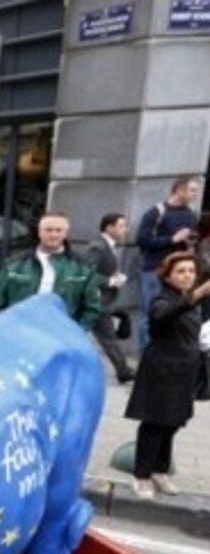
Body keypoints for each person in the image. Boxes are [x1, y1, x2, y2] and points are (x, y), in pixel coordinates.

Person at [123, 252, 210, 499]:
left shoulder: (188, 300)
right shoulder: (162, 299)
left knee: (172, 423)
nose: (187, 276)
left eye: (191, 271)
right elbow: (162, 317)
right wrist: (198, 295)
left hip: (186, 370)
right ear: (168, 275)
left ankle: (160, 470)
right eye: (181, 271)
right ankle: (141, 476)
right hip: (161, 371)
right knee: (154, 423)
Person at [0, 210, 101, 330]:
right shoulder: (15, 263)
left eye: (58, 230)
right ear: (39, 233)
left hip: (58, 334)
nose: (53, 235)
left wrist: (75, 333)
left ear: (65, 234)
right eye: (48, 230)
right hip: (19, 330)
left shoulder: (82, 267)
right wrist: (2, 329)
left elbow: (92, 308)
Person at [135, 177, 200, 352]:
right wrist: (172, 239)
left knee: (179, 312)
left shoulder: (191, 213)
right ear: (179, 190)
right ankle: (146, 355)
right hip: (155, 269)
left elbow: (192, 238)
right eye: (192, 190)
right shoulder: (156, 212)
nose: (195, 194)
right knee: (150, 313)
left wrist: (190, 241)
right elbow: (142, 240)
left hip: (180, 270)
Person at [83, 212, 136, 384]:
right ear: (109, 227)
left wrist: (116, 277)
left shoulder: (107, 245)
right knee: (108, 338)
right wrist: (111, 281)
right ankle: (123, 371)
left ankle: (123, 370)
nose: (125, 230)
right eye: (122, 226)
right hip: (95, 301)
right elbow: (86, 273)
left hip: (100, 301)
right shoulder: (98, 246)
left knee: (106, 337)